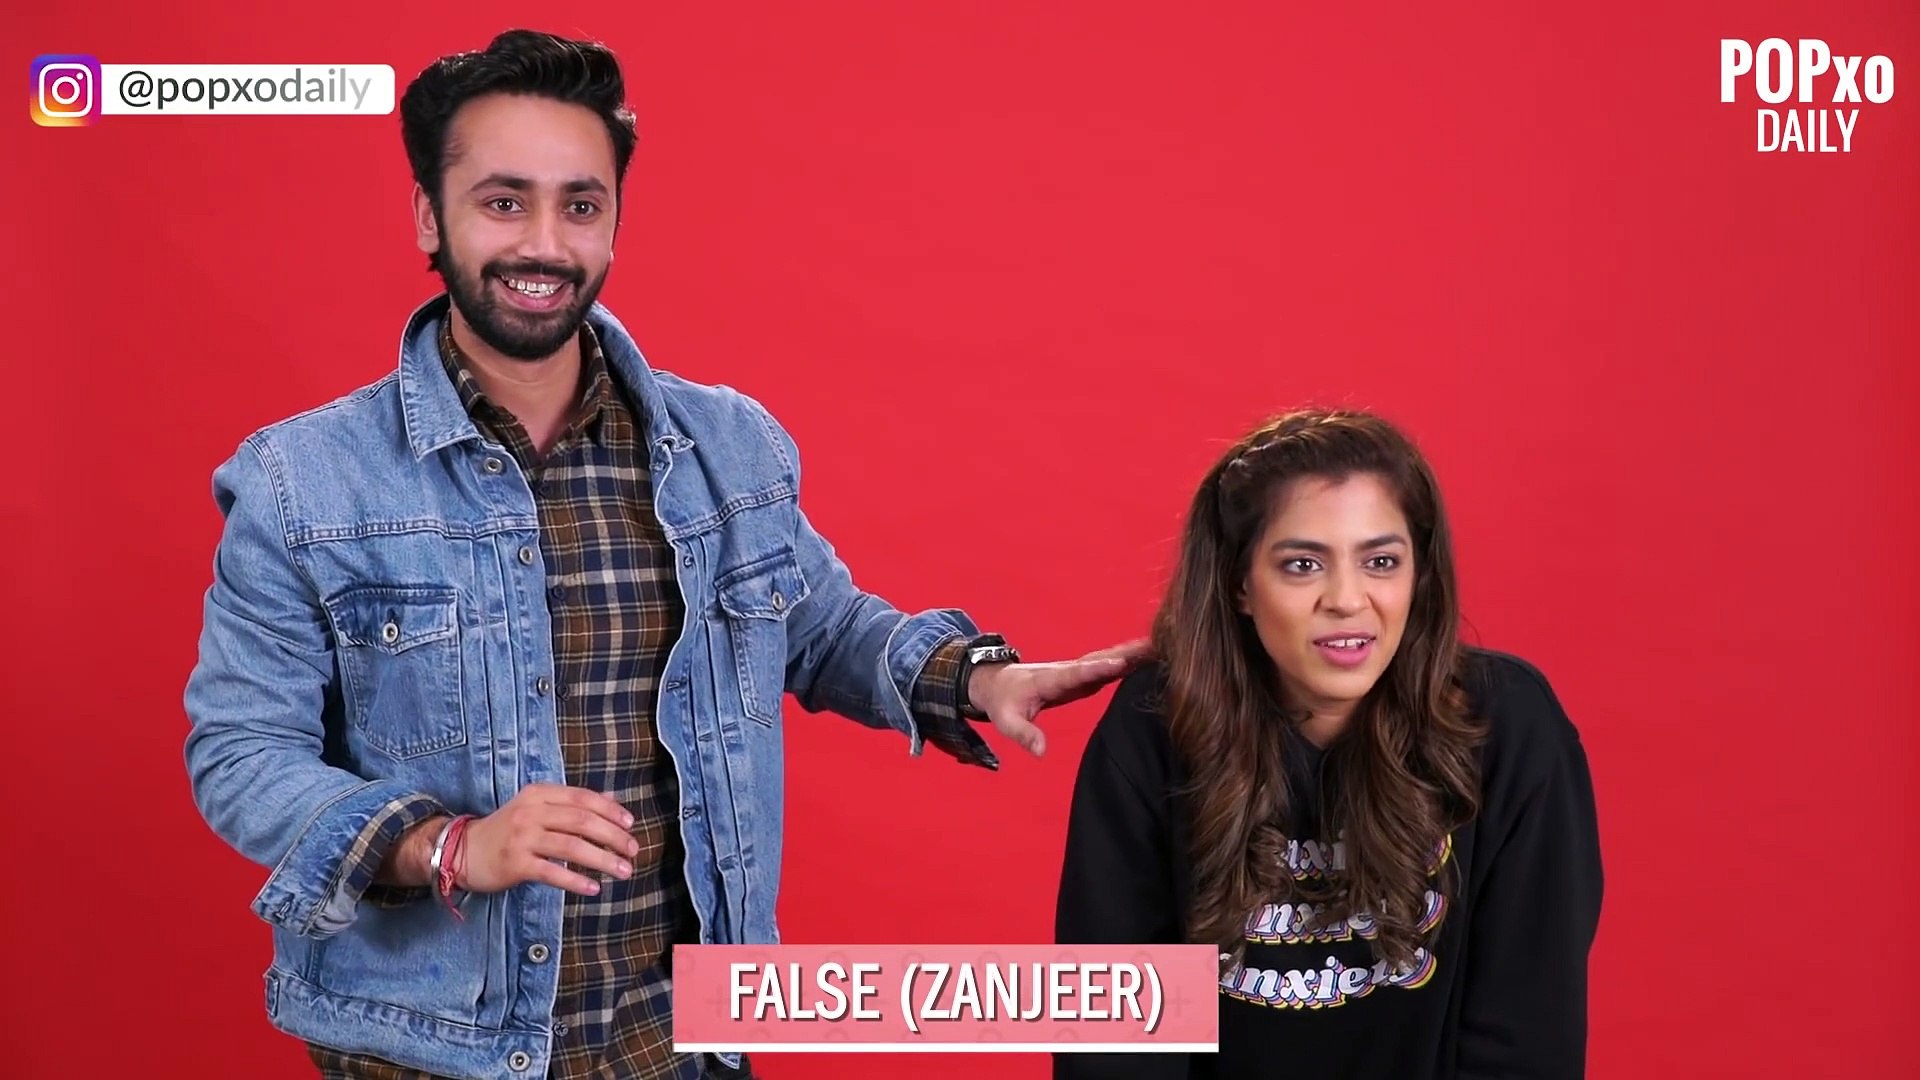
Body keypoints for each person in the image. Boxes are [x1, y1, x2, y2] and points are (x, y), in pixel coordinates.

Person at [182, 29, 1144, 1080]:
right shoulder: (302, 482)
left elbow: (818, 626)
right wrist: (449, 845)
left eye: (580, 205)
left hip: (685, 1044)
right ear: (429, 215)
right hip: (433, 1054)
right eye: (503, 201)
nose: (544, 243)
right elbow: (241, 753)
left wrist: (972, 677)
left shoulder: (729, 446)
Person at [1053, 409, 1604, 1078]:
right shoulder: (1154, 726)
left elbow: (1526, 1035)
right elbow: (1114, 1036)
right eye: (1303, 564)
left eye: (1381, 561)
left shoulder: (1508, 728)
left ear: (1419, 575)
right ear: (1240, 585)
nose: (1347, 599)